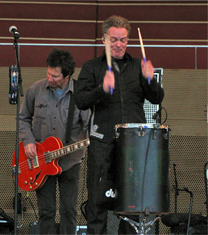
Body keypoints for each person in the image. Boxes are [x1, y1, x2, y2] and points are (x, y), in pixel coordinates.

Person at [74, 15, 164, 234]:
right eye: (114, 39)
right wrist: (102, 90)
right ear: (104, 39)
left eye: (123, 40)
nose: (118, 44)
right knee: (97, 201)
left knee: (132, 202)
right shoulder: (92, 67)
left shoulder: (137, 67)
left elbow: (157, 98)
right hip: (102, 142)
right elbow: (80, 100)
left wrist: (151, 79)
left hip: (134, 145)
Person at [19, 48, 90, 234]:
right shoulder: (36, 89)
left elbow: (90, 126)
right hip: (41, 161)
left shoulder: (80, 94)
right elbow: (23, 118)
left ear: (67, 76)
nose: (50, 78)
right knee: (46, 211)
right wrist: (28, 141)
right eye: (48, 74)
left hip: (70, 161)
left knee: (69, 210)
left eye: (55, 76)